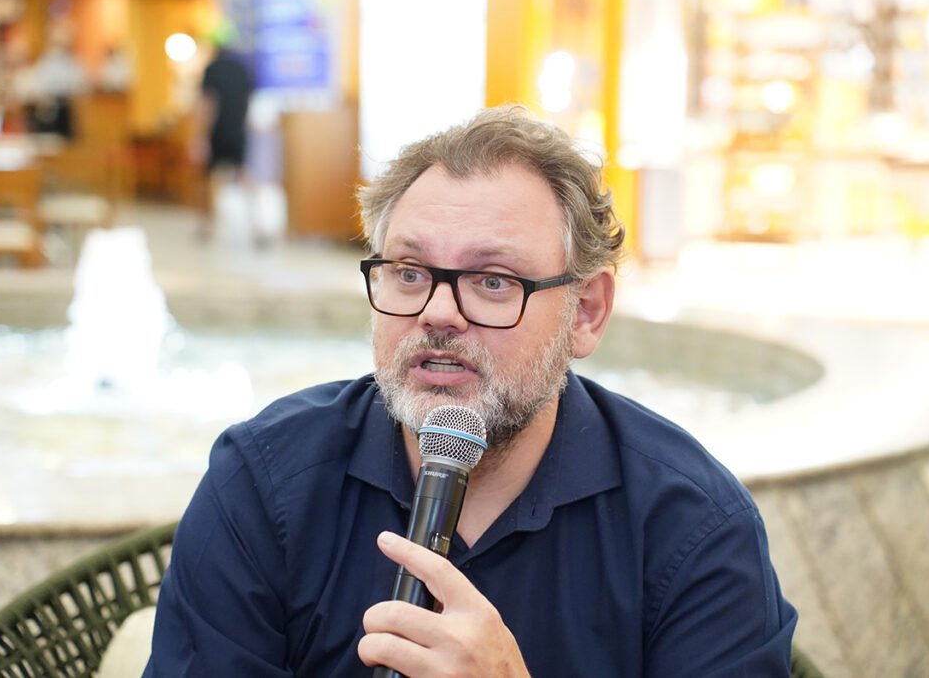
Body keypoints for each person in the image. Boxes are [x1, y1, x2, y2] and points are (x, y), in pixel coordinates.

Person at [144, 105, 797, 676]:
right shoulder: (264, 484)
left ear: (586, 312)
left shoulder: (693, 528)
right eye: (409, 272)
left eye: (492, 281)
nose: (438, 312)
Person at [191, 34, 253, 240]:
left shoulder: (212, 70)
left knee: (207, 180)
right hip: (238, 130)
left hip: (216, 131)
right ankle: (255, 224)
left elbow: (207, 104)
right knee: (243, 174)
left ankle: (206, 226)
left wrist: (199, 137)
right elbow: (247, 102)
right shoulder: (243, 70)